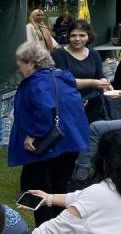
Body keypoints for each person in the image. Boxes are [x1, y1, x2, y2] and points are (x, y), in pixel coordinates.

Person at [8, 41, 89, 226]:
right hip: (69, 143)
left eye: (19, 62)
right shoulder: (59, 76)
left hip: (47, 147)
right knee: (60, 188)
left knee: (39, 191)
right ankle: (63, 226)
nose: (17, 66)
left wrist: (33, 134)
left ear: (32, 63)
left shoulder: (37, 83)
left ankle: (45, 227)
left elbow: (45, 110)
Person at [26, 130, 121, 232]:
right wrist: (48, 198)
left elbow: (51, 230)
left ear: (102, 159)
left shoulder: (97, 194)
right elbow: (82, 197)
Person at [51, 20, 112, 123]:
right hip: (69, 105)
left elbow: (100, 75)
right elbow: (64, 82)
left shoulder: (94, 54)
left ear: (88, 36)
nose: (77, 39)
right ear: (68, 36)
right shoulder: (58, 54)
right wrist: (95, 83)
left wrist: (106, 84)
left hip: (94, 105)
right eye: (73, 35)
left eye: (82, 35)